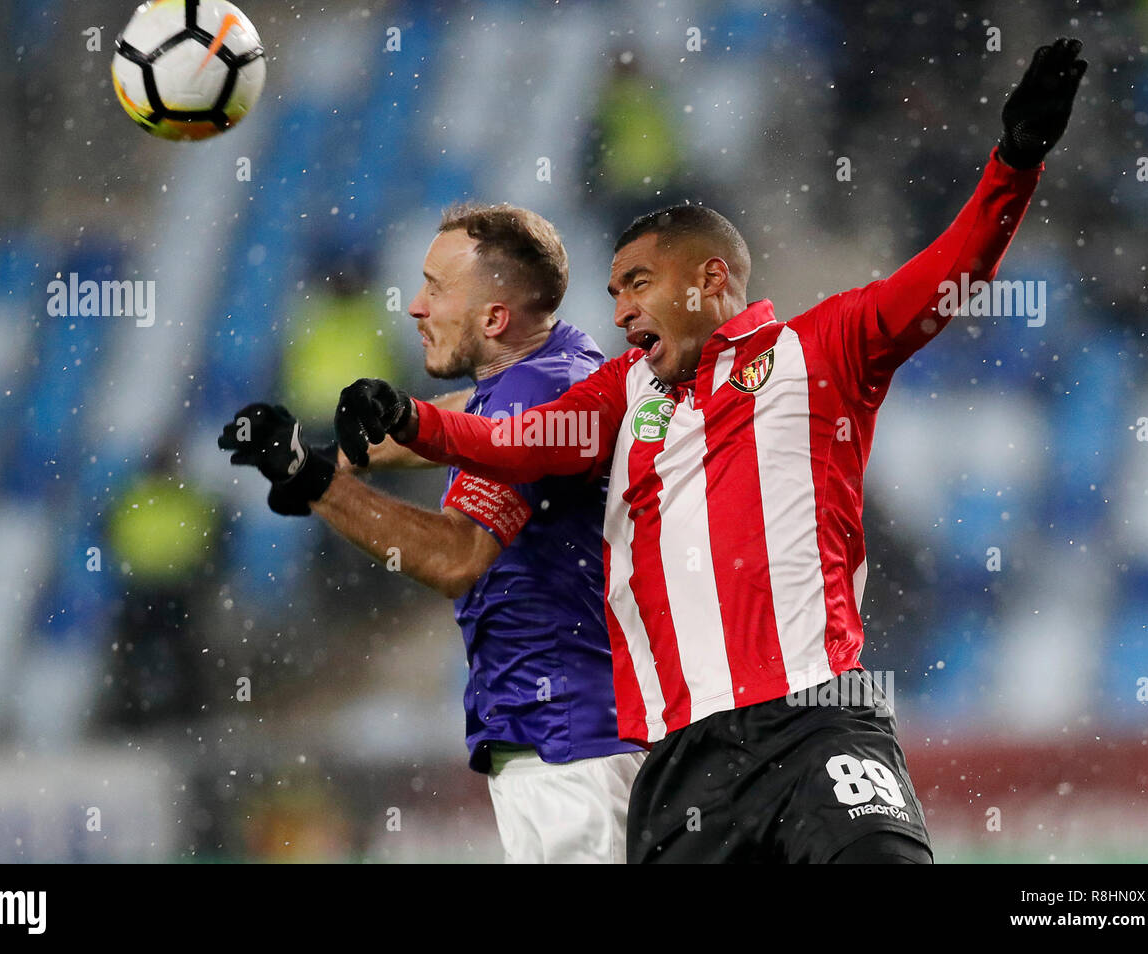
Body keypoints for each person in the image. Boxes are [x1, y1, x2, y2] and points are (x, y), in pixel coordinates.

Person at [332, 39, 1088, 863]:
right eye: (614, 292)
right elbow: (518, 443)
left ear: (709, 278)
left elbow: (953, 271)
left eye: (637, 284)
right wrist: (413, 422)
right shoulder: (624, 391)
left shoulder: (823, 347)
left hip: (815, 724)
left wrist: (1013, 165)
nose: (620, 310)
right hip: (683, 762)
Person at [218, 203, 645, 863]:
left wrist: (312, 480)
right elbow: (466, 414)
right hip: (579, 734)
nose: (414, 306)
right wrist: (343, 449)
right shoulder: (560, 361)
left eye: (436, 289)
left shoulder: (536, 400)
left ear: (494, 318)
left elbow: (457, 555)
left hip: (569, 742)